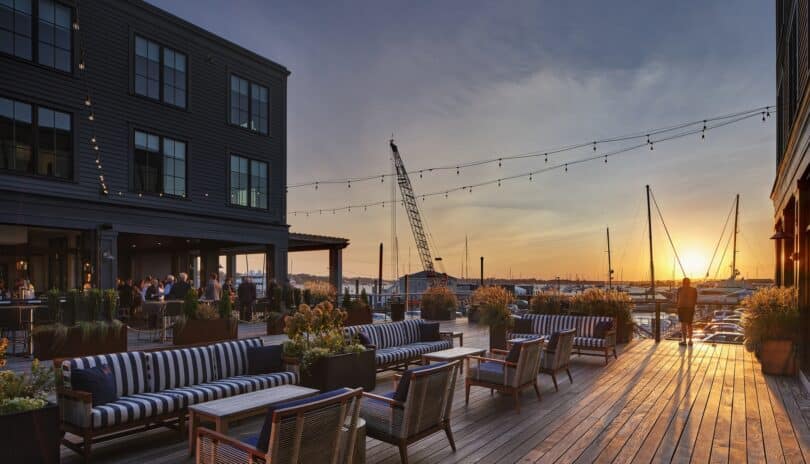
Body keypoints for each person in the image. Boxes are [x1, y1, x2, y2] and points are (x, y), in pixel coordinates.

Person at [676, 277, 698, 346]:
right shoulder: (694, 290)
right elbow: (695, 299)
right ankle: (690, 341)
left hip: (682, 308)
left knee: (683, 325)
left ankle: (684, 341)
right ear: (689, 283)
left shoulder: (680, 289)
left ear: (683, 283)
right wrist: (692, 306)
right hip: (690, 308)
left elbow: (677, 299)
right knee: (690, 325)